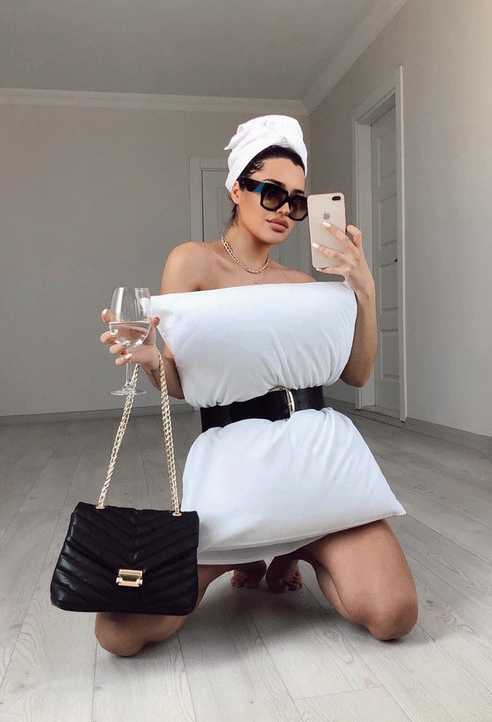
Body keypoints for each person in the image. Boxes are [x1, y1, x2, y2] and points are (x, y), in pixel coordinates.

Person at [98, 115, 418, 656]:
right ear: (236, 189)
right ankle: (250, 550)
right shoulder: (192, 262)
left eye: (296, 201)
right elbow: (180, 384)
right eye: (271, 193)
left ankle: (297, 547)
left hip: (319, 461)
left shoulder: (301, 284)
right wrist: (150, 358)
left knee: (394, 615)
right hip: (235, 472)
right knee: (119, 632)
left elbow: (357, 374)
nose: (285, 210)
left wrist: (364, 290)